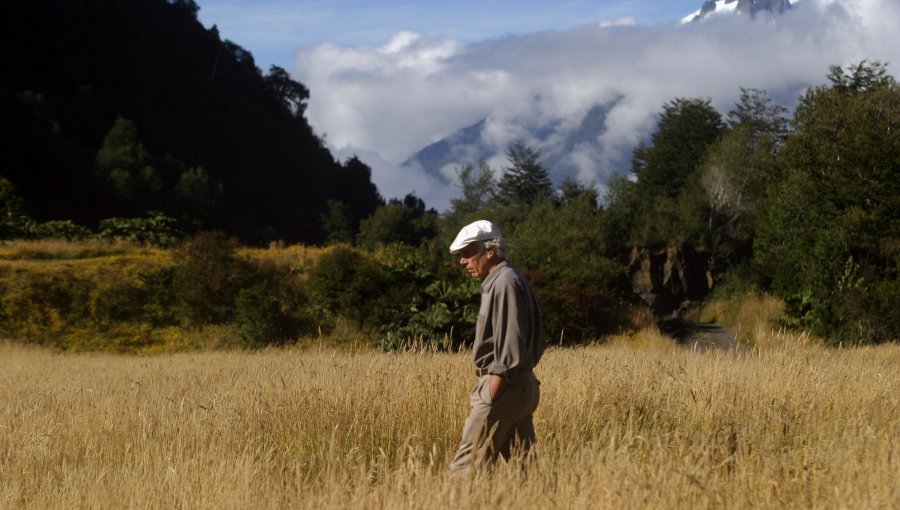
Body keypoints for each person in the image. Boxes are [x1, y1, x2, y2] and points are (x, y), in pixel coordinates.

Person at [447, 220, 545, 474]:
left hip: (505, 387)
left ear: (490, 251)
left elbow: (509, 347)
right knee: (528, 475)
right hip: (520, 386)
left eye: (467, 254)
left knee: (465, 471)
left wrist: (491, 394)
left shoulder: (504, 284)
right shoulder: (509, 280)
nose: (462, 261)